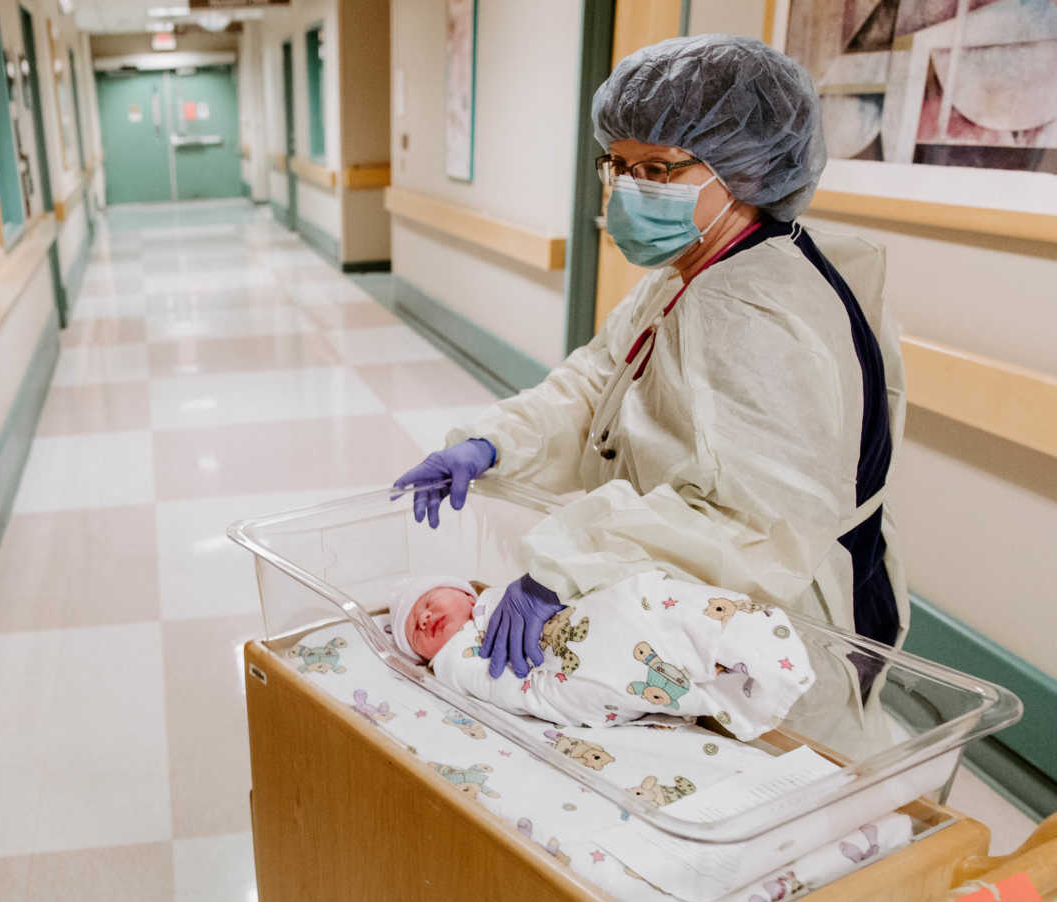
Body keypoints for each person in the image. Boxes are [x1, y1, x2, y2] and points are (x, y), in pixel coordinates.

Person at [392, 35, 906, 744]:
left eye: (658, 169)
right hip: (689, 600)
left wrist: (563, 567)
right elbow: (600, 382)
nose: (629, 190)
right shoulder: (692, 274)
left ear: (747, 170)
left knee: (795, 791)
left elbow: (752, 522)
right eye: (620, 166)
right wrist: (492, 443)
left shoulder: (759, 313)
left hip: (781, 619)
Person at [388, 571, 814, 740]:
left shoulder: (501, 597)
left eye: (428, 600)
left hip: (584, 625)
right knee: (636, 677)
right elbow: (495, 684)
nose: (424, 617)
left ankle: (743, 641)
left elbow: (580, 601)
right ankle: (726, 684)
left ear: (464, 590)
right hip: (561, 683)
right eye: (414, 629)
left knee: (639, 609)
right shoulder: (448, 664)